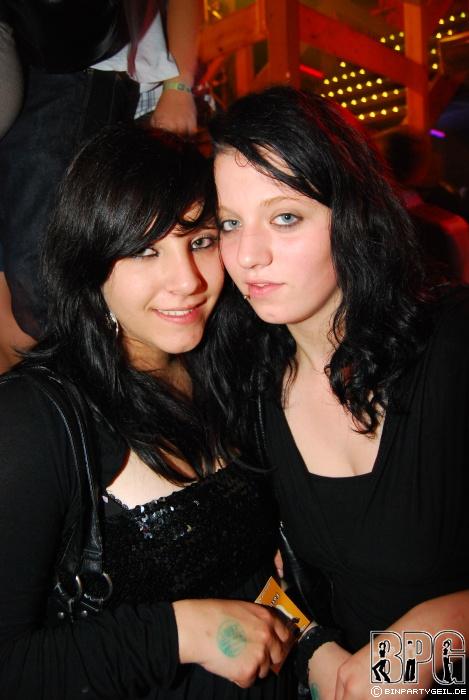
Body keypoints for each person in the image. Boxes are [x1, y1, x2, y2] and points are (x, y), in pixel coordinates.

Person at [0, 125, 296, 699]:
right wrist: (179, 632)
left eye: (200, 240)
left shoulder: (233, 371)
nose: (187, 281)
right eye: (143, 250)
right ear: (89, 261)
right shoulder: (34, 420)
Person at [208, 85, 469, 698]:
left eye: (285, 217)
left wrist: (447, 628)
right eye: (229, 224)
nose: (248, 255)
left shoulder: (453, 345)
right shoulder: (243, 386)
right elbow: (247, 570)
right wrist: (317, 652)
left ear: (351, 214)